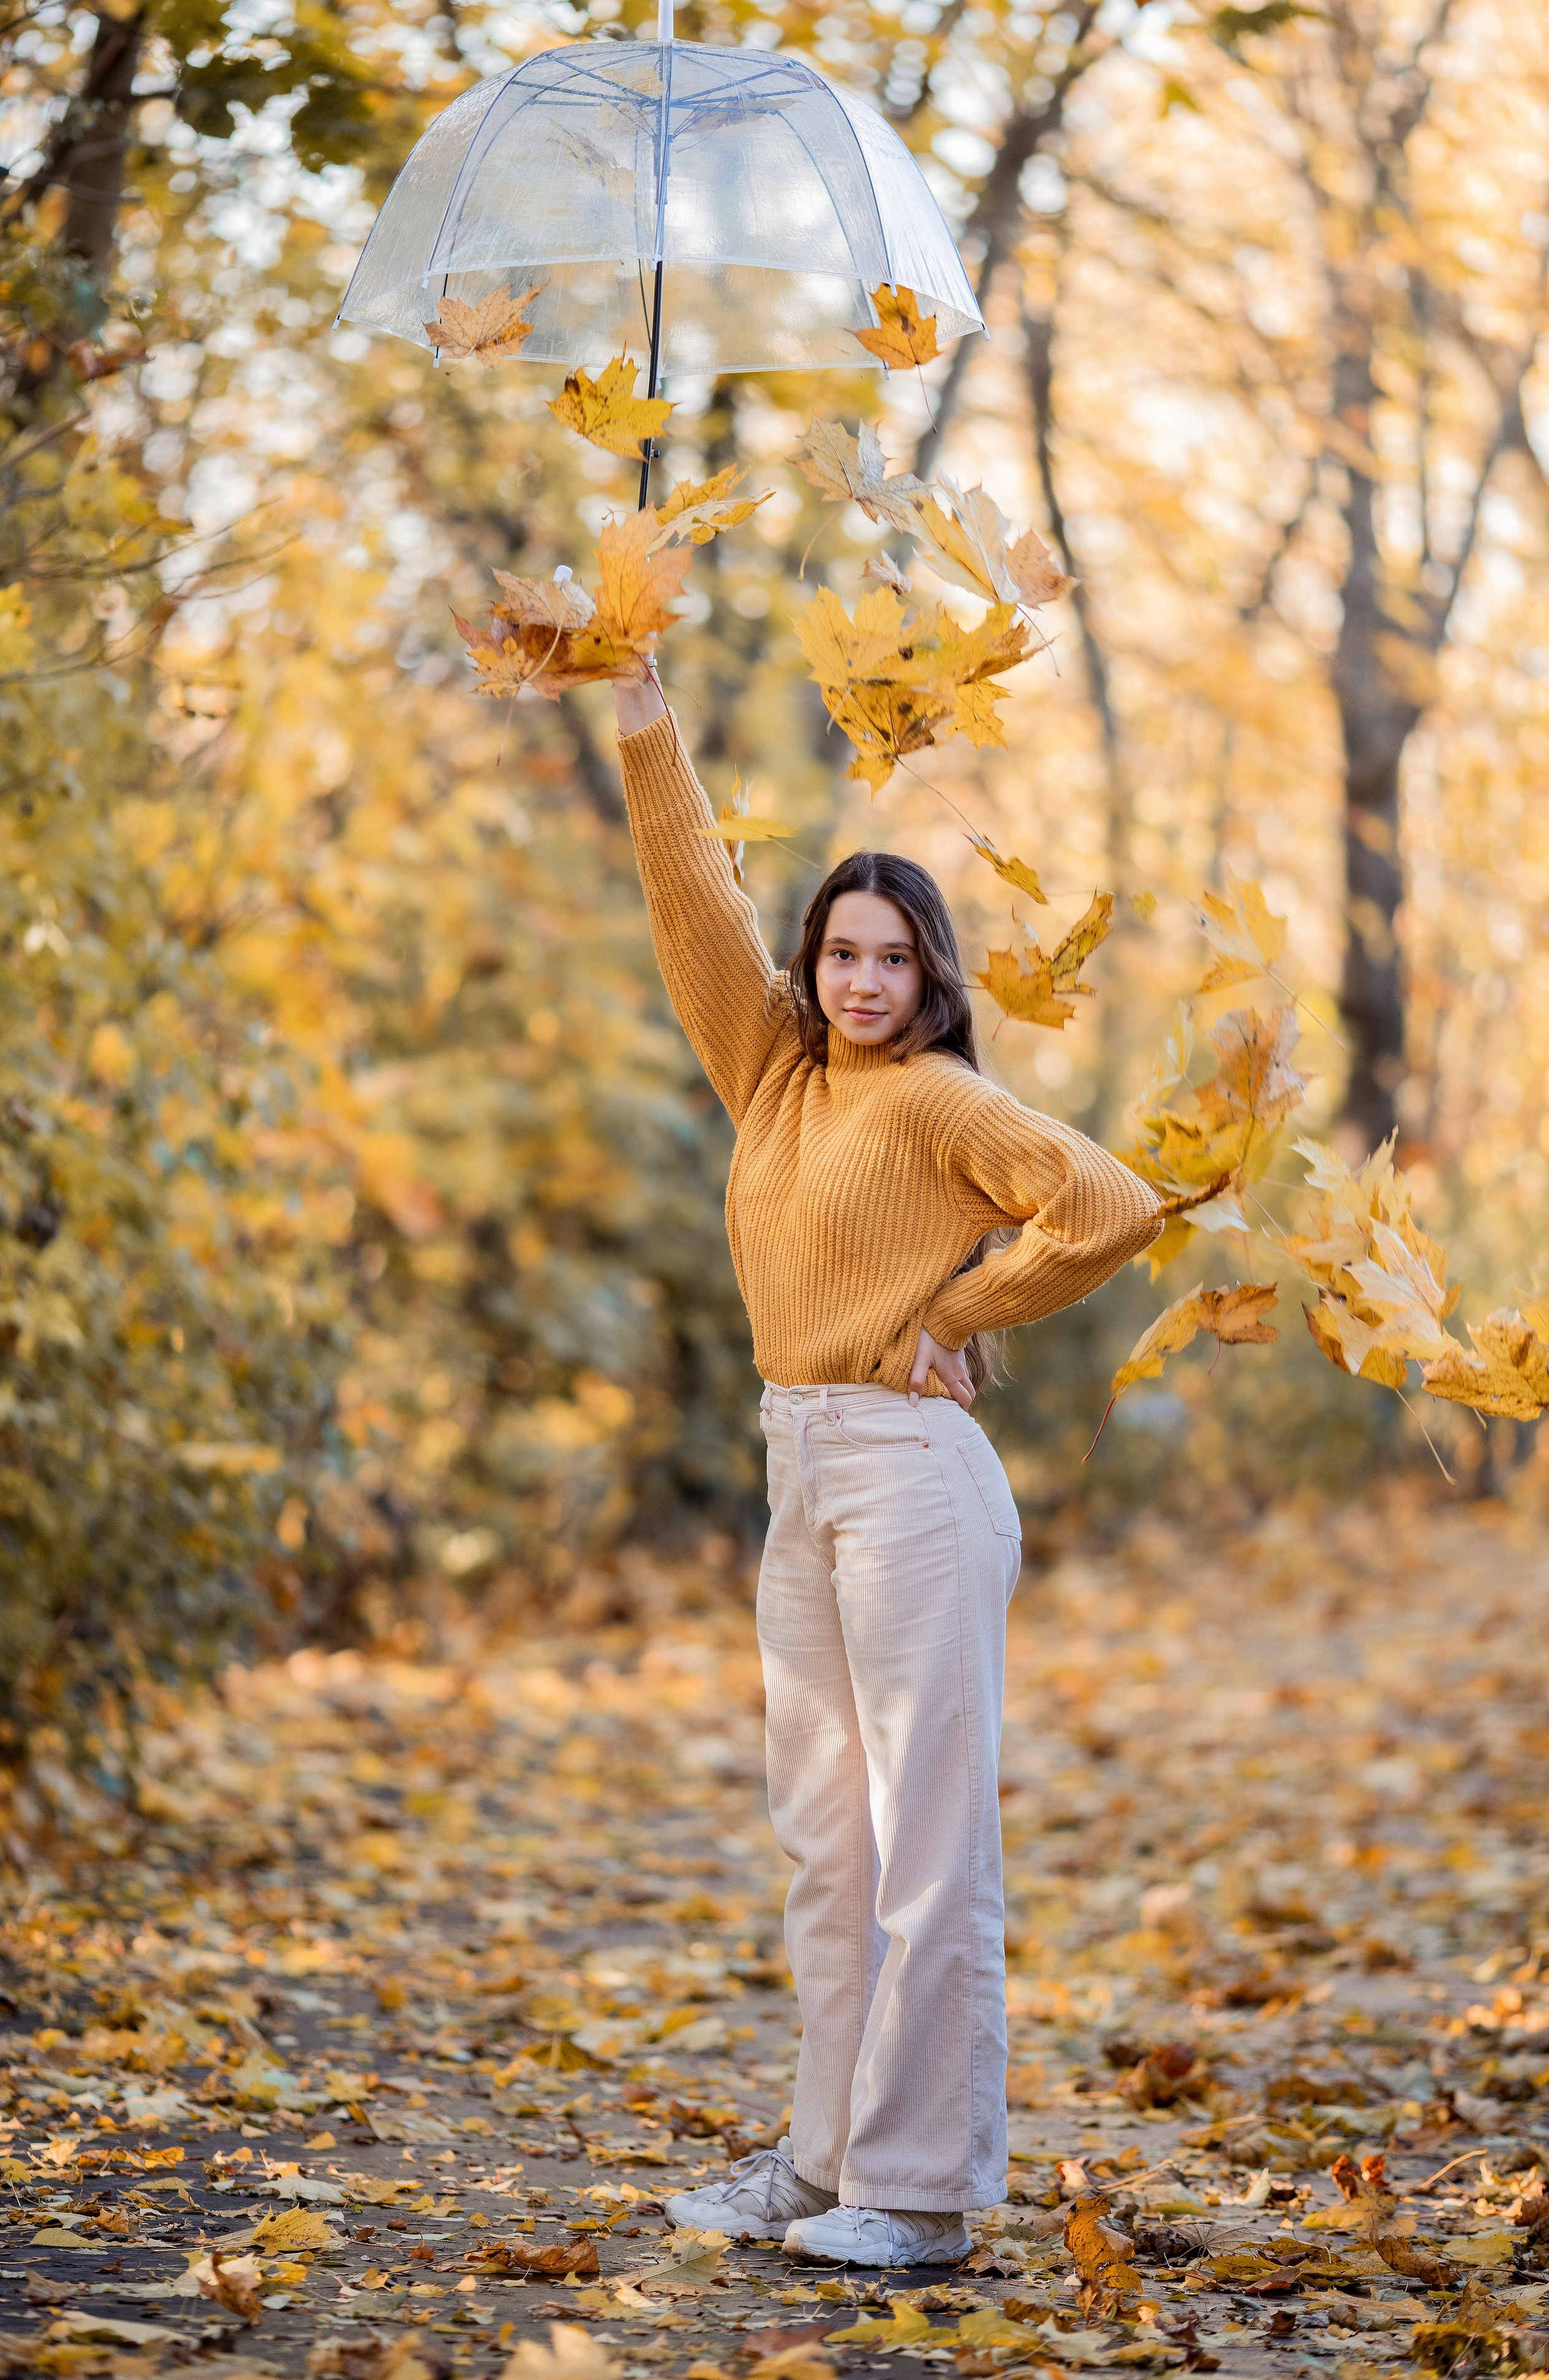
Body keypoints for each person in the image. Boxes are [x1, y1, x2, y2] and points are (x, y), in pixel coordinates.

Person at [612, 672, 1162, 2267]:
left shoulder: (936, 1098)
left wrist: (959, 1305)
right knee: (826, 1846)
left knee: (926, 1844)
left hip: (913, 1473)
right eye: (839, 952)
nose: (861, 978)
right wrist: (648, 719)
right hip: (803, 1465)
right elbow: (692, 908)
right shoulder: (773, 1079)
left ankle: (919, 2195)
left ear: (928, 974)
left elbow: (1110, 1203)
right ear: (813, 966)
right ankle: (823, 2160)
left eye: (890, 955)